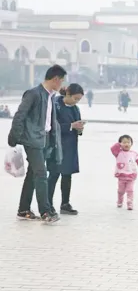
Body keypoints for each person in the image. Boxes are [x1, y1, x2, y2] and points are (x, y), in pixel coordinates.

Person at [8, 64, 66, 223]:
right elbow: (20, 115)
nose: (61, 84)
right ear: (55, 79)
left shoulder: (50, 96)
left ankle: (23, 209)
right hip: (32, 139)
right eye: (61, 81)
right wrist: (14, 137)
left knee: (33, 174)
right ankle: (46, 211)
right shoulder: (33, 94)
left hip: (44, 139)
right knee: (41, 173)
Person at [47, 83, 85, 216]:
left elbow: (77, 125)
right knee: (53, 175)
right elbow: (51, 126)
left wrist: (79, 128)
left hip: (70, 146)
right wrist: (70, 126)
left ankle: (65, 203)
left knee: (67, 174)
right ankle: (48, 204)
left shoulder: (75, 109)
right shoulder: (55, 104)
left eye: (79, 100)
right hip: (57, 145)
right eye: (75, 98)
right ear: (67, 94)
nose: (76, 102)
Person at [110, 134, 138, 210]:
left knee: (130, 190)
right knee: (120, 191)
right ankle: (119, 201)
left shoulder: (134, 154)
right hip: (121, 175)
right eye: (124, 142)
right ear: (120, 144)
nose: (126, 144)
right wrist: (119, 144)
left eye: (128, 142)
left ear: (131, 144)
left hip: (131, 176)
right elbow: (112, 149)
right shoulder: (118, 153)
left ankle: (130, 203)